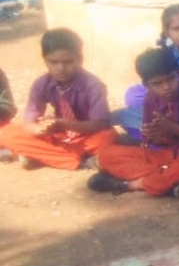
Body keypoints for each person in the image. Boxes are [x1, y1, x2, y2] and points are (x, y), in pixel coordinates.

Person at [88, 48, 179, 197]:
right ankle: (176, 184)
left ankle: (131, 184)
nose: (166, 87)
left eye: (170, 79)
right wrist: (156, 136)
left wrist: (173, 128)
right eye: (157, 83)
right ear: (147, 85)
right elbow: (159, 143)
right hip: (169, 155)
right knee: (106, 154)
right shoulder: (150, 99)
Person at [0, 28, 118, 170]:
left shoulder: (93, 85)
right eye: (53, 62)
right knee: (6, 132)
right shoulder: (41, 84)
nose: (61, 68)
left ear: (80, 60)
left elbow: (99, 124)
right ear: (45, 60)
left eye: (68, 62)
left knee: (108, 136)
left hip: (86, 135)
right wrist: (39, 130)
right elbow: (29, 122)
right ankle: (81, 161)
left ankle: (45, 157)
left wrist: (65, 124)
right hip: (58, 136)